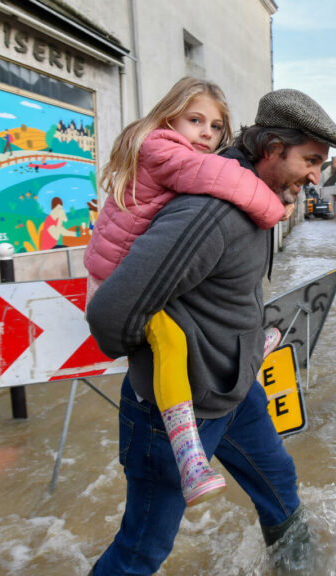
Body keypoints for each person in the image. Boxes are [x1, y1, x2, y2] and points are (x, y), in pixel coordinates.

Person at [86, 88, 336, 574]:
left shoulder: (254, 197)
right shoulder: (213, 213)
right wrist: (176, 359)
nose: (316, 177)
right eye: (310, 161)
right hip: (177, 410)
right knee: (142, 549)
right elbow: (110, 315)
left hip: (236, 391)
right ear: (272, 149)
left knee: (279, 485)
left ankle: (299, 568)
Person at [84, 77, 287, 507]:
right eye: (195, 121)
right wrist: (273, 209)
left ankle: (250, 349)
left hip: (230, 383)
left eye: (215, 128)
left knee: (279, 484)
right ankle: (188, 455)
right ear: (169, 116)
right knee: (171, 341)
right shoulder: (163, 150)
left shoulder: (171, 155)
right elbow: (218, 176)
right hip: (112, 275)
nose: (206, 135)